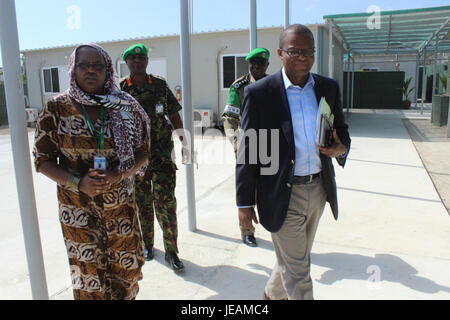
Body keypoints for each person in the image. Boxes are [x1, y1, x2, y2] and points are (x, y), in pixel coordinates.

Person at [236, 25, 351, 300]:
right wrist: (243, 203)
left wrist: (340, 148)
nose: (302, 56)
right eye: (294, 51)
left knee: (293, 261)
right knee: (300, 274)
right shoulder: (260, 93)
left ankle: (269, 296)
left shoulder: (328, 88)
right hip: (281, 194)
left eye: (308, 51)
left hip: (319, 190)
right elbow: (250, 151)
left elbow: (342, 130)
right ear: (280, 53)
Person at [33, 43, 151, 300]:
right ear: (73, 70)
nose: (90, 70)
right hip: (77, 212)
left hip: (120, 208)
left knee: (126, 274)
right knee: (88, 281)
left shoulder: (124, 106)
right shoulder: (57, 108)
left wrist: (118, 174)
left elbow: (143, 152)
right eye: (83, 65)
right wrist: (78, 181)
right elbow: (42, 160)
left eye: (97, 66)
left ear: (108, 71)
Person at [120, 43, 187, 273]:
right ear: (126, 62)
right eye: (133, 58)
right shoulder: (119, 90)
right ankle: (147, 245)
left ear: (147, 61)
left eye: (142, 58)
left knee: (166, 203)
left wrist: (184, 142)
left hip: (161, 157)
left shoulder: (159, 85)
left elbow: (174, 114)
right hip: (134, 160)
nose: (138, 61)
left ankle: (172, 251)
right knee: (143, 204)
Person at [222, 48, 270, 247]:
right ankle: (247, 230)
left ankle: (271, 223)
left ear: (267, 65)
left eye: (260, 63)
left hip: (271, 142)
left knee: (268, 186)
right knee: (246, 187)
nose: (256, 66)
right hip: (247, 143)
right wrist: (236, 144)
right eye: (253, 63)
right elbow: (230, 118)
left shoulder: (274, 84)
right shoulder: (239, 86)